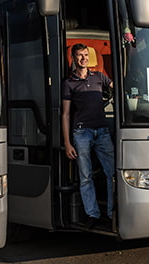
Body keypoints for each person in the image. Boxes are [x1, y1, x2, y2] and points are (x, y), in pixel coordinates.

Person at [62, 43, 115, 229]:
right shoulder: (69, 83)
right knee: (85, 177)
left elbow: (116, 87)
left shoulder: (99, 77)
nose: (84, 58)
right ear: (73, 59)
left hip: (102, 131)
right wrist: (68, 143)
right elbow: (66, 115)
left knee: (112, 174)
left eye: (86, 55)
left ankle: (111, 213)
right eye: (80, 55)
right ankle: (92, 214)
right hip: (81, 133)